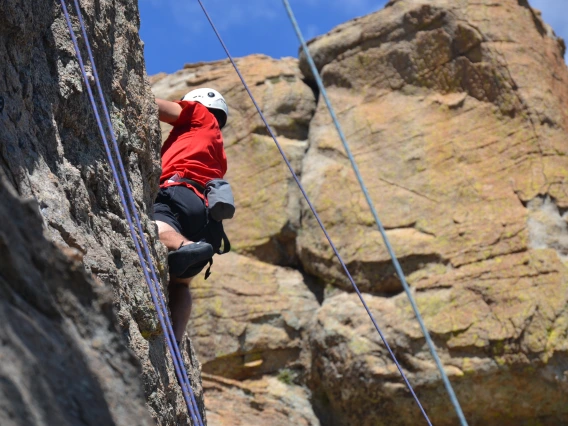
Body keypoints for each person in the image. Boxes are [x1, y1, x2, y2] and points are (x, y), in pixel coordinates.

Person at [153, 88, 230, 343]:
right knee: (181, 284)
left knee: (156, 226)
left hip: (179, 190)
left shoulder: (198, 115)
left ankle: (185, 246)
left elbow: (153, 105)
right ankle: (174, 340)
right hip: (206, 217)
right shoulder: (218, 149)